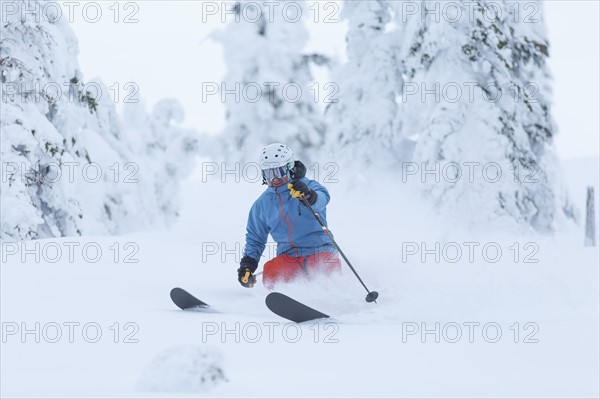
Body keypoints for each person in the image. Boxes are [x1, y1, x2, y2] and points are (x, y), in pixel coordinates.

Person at [237, 143, 341, 288]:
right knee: (271, 272)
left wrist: (309, 195)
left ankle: (332, 294)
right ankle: (288, 300)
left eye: (278, 172)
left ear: (289, 168)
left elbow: (323, 198)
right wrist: (248, 264)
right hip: (290, 257)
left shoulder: (307, 186)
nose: (274, 179)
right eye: (268, 173)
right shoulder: (262, 204)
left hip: (320, 250)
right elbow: (255, 238)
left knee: (324, 266)